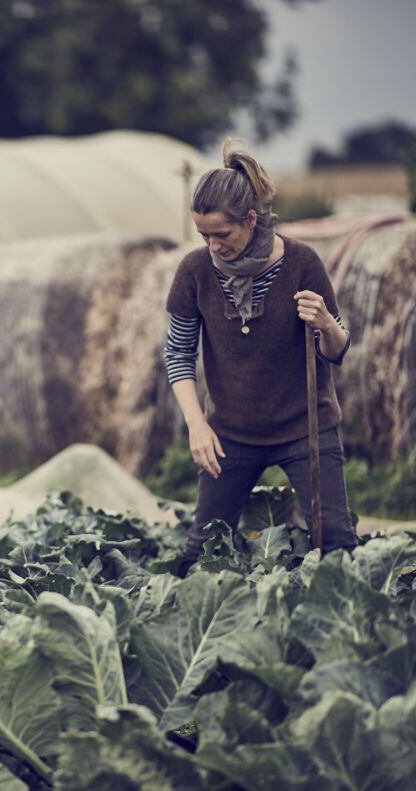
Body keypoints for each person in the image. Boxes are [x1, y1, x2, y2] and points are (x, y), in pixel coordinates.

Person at [164, 139, 358, 577]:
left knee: (338, 550)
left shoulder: (302, 263)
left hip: (304, 427)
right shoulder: (194, 272)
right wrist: (198, 424)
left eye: (222, 234)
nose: (212, 245)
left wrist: (326, 323)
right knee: (201, 556)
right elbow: (178, 352)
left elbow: (338, 350)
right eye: (203, 235)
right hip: (230, 434)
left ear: (251, 220)